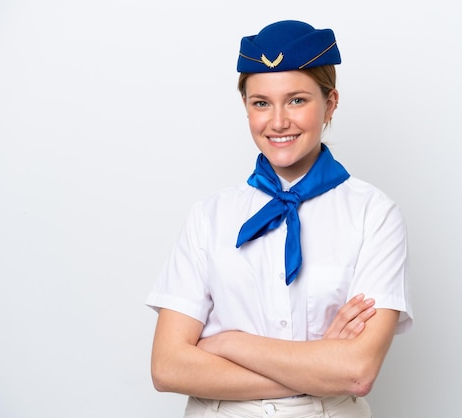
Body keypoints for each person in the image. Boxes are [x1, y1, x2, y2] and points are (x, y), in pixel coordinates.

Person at [146, 19, 413, 417]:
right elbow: (167, 368)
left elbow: (357, 372)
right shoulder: (209, 217)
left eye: (297, 100)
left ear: (331, 103)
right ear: (246, 107)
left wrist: (228, 344)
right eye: (261, 103)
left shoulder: (373, 215)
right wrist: (320, 363)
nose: (278, 122)